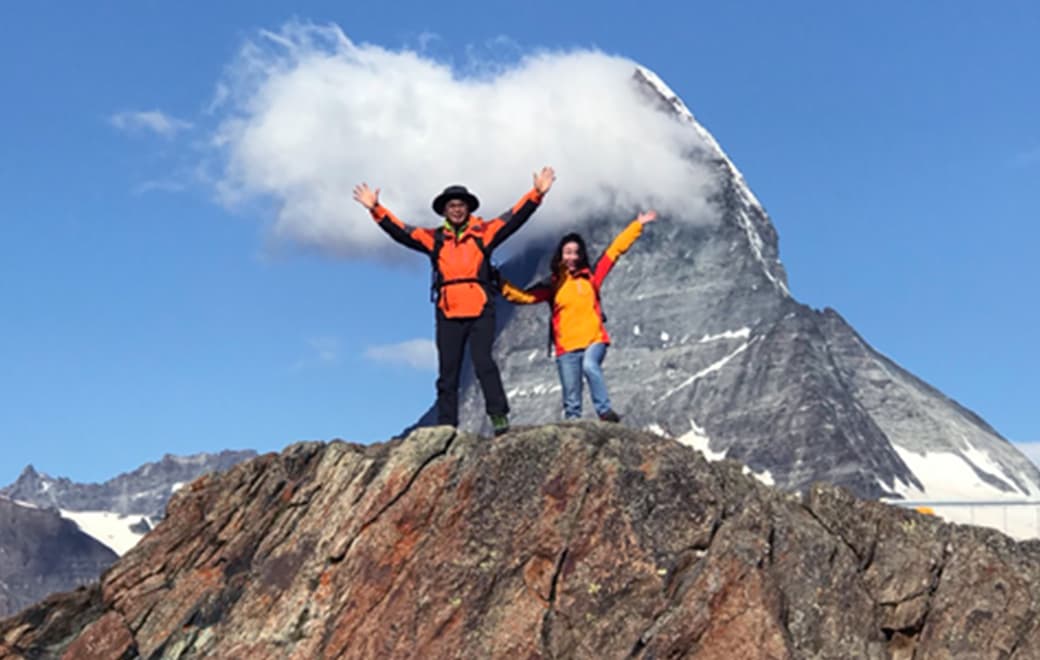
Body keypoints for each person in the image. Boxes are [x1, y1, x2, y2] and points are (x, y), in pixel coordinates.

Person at [352, 167, 556, 436]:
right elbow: (400, 231)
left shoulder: (484, 232)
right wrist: (376, 209)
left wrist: (537, 194)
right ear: (444, 210)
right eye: (452, 206)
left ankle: (498, 416)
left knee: (484, 363)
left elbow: (514, 218)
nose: (457, 210)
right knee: (448, 371)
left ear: (468, 208)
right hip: (448, 311)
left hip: (481, 308)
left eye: (461, 205)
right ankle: (447, 425)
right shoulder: (434, 239)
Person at [501, 210, 657, 421]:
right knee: (571, 397)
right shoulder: (552, 285)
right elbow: (524, 297)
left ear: (581, 255)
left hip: (594, 339)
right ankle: (574, 429)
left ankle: (604, 411)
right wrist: (499, 284)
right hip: (567, 347)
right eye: (568, 252)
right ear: (560, 255)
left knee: (590, 366)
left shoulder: (591, 277)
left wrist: (637, 225)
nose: (572, 257)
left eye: (576, 252)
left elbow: (614, 251)